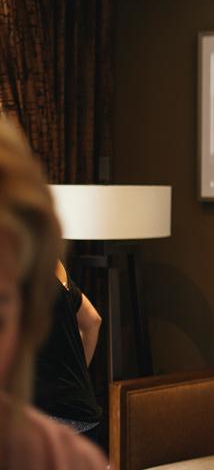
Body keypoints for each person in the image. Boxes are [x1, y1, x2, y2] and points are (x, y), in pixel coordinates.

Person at [0, 120, 108, 468]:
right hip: (81, 407)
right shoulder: (55, 267)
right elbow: (92, 320)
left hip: (56, 415)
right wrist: (72, 381)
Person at [33, 260, 103, 443]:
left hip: (48, 415)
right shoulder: (54, 264)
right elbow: (93, 321)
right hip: (83, 411)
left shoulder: (16, 268)